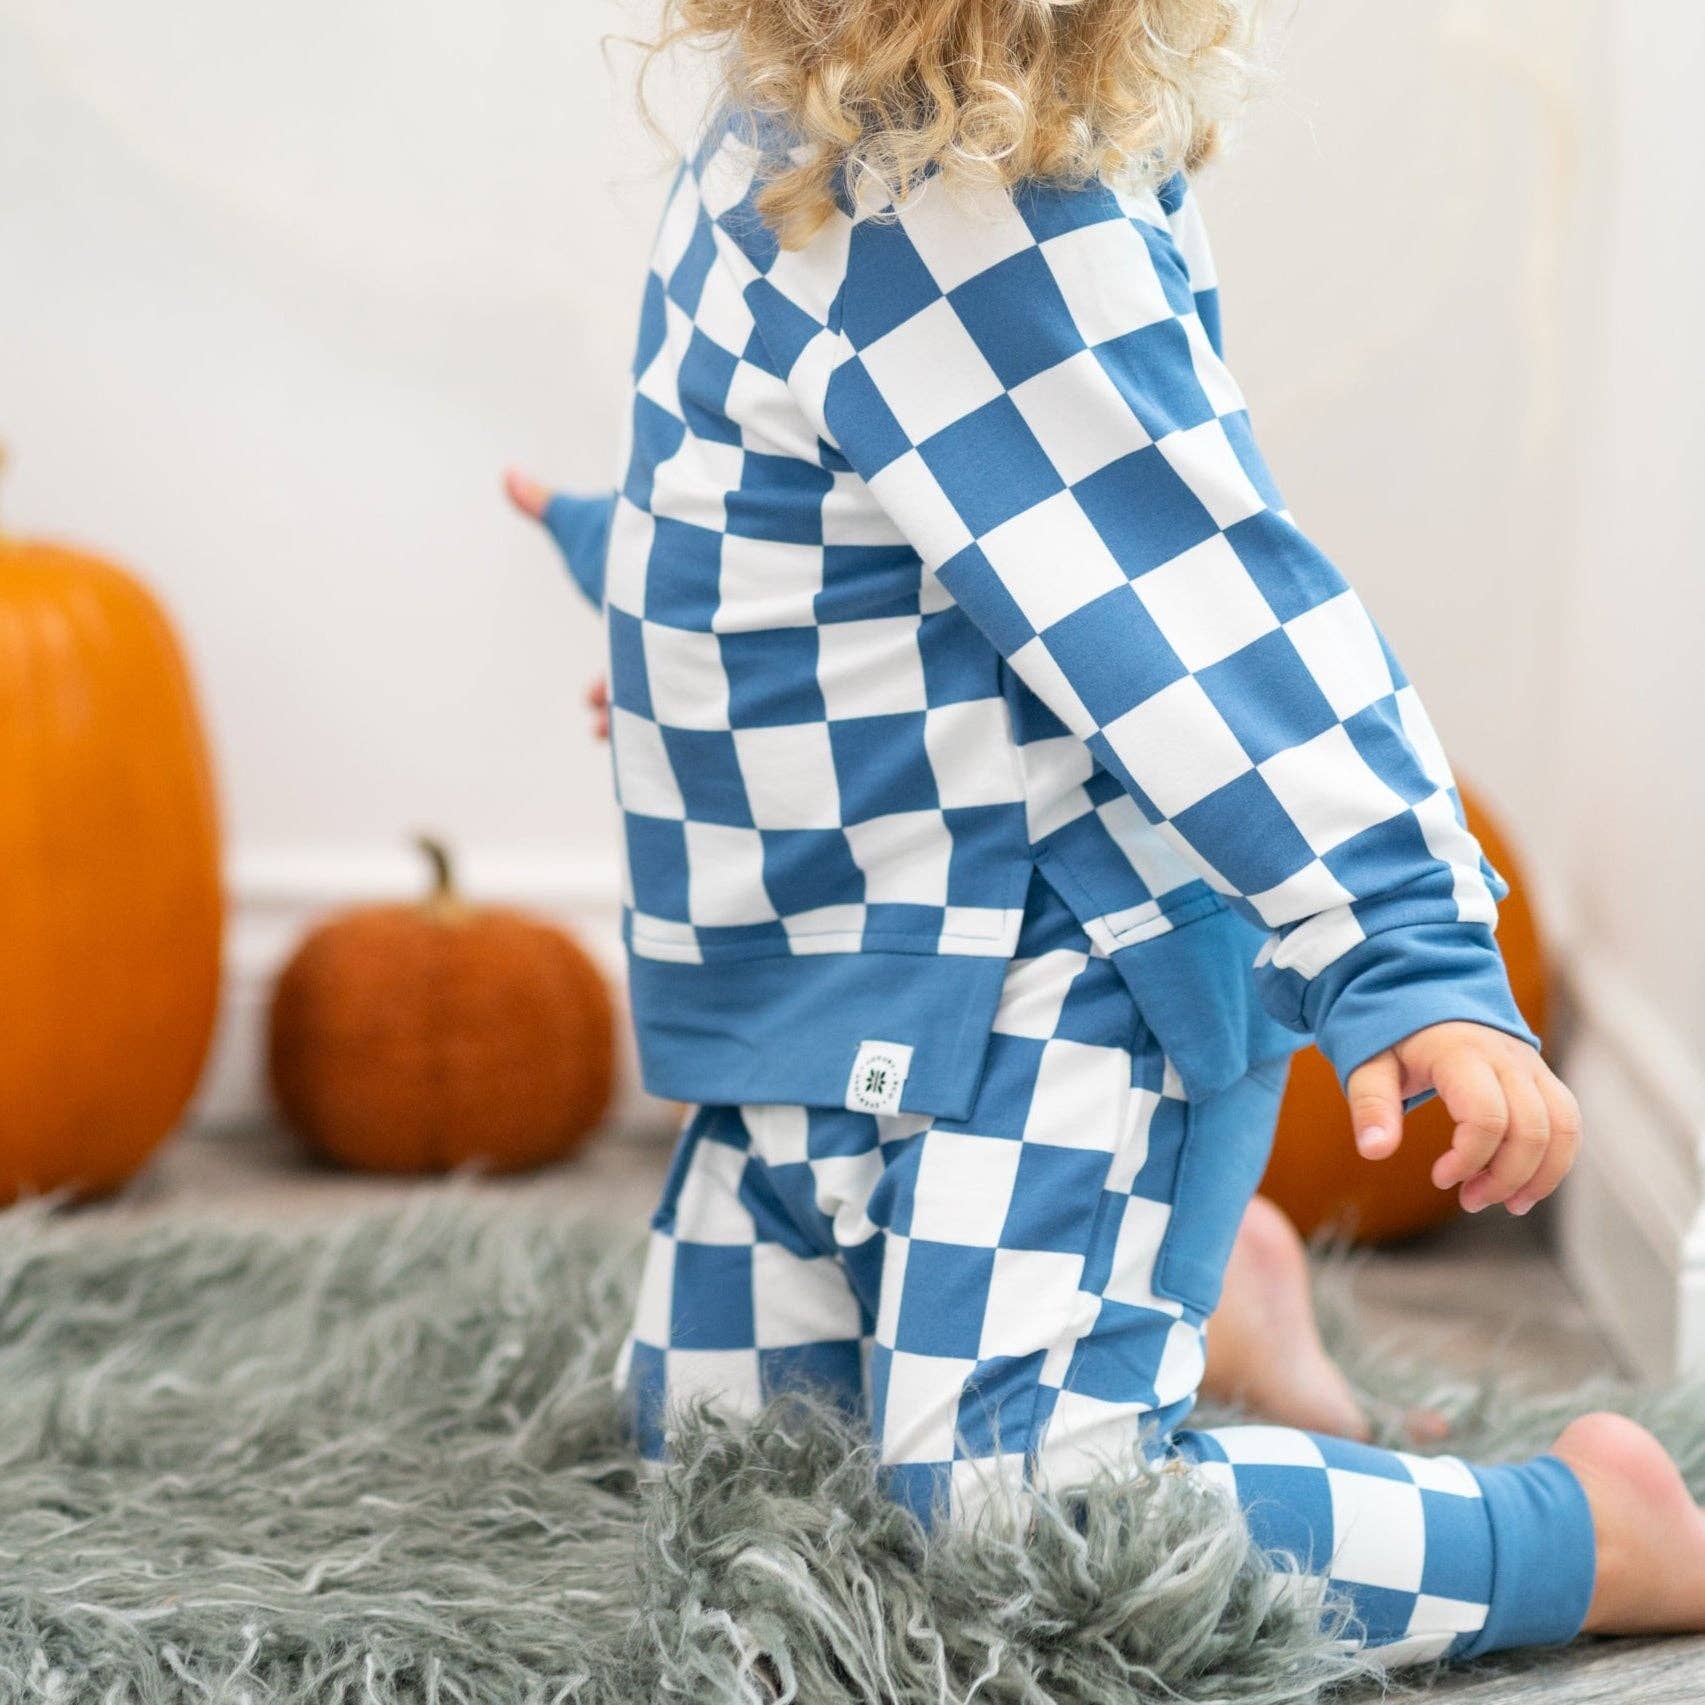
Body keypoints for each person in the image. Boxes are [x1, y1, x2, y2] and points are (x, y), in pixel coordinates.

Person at [508, 0, 1705, 1664]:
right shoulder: (785, 133)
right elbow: (810, 468)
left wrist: (1406, 940)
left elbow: (1198, 608)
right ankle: (1197, 1301)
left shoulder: (964, 215)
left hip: (1044, 977)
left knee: (1025, 1539)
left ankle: (1584, 1531)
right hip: (837, 966)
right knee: (725, 1456)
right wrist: (682, 621)